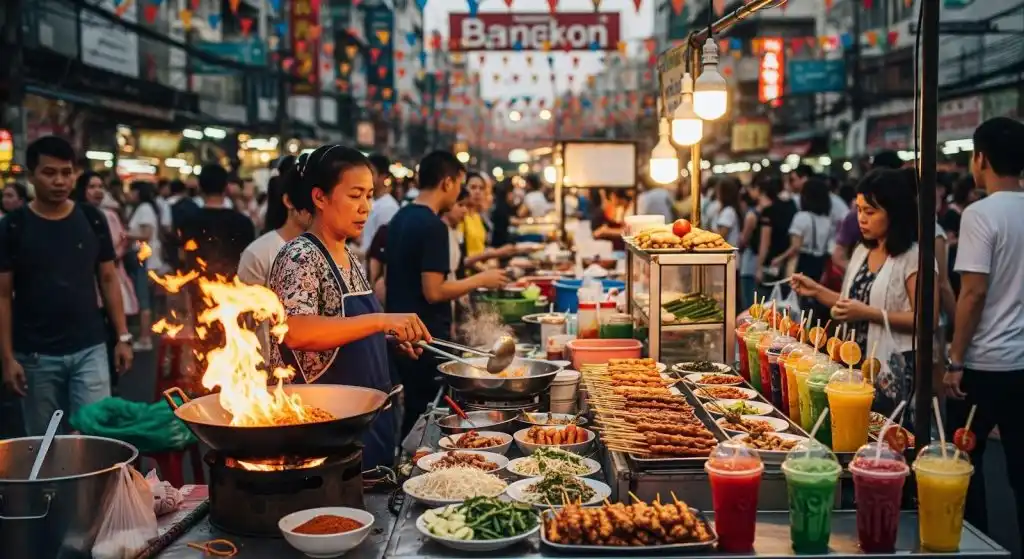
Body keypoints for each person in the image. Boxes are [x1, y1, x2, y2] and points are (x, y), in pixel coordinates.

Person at [267, 146, 429, 469]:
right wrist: (380, 322)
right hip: (322, 442)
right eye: (355, 196)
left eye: (369, 196)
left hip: (367, 430)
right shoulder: (300, 256)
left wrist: (389, 342)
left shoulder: (350, 258)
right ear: (320, 197)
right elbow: (296, 331)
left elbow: (346, 333)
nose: (365, 208)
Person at [0, 136, 133, 436]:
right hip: (34, 355)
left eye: (66, 172)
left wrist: (123, 336)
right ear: (31, 175)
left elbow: (109, 279)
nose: (59, 181)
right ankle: (50, 486)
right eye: (49, 173)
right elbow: (3, 296)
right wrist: (7, 358)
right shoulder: (13, 227)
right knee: (45, 442)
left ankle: (96, 486)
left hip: (90, 348)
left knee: (98, 435)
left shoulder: (91, 218)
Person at [791, 168, 937, 418]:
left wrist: (869, 313)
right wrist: (816, 290)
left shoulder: (913, 257)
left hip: (892, 370)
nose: (861, 218)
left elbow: (926, 320)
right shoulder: (861, 251)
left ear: (895, 212)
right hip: (854, 365)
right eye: (858, 210)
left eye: (870, 211)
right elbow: (851, 305)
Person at [386, 151, 508, 436]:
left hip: (402, 336)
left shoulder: (400, 217)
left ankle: (406, 464)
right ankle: (417, 469)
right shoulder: (434, 227)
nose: (460, 193)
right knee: (426, 415)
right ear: (447, 182)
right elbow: (434, 291)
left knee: (414, 409)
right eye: (459, 184)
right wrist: (481, 279)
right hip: (424, 338)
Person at [944, 117, 1024, 547]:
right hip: (1022, 365)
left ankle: (978, 544)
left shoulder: (980, 213)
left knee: (963, 461)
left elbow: (972, 294)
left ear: (982, 158)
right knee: (1020, 468)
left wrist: (956, 361)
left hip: (986, 364)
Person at [178, 164, 256, 280]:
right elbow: (249, 260)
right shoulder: (243, 222)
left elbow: (183, 256)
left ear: (200, 187)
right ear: (226, 187)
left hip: (197, 287)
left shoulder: (188, 220)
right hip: (234, 290)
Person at [125, 181, 163, 350]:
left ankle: (145, 338)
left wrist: (125, 234)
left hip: (144, 259)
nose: (129, 195)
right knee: (146, 298)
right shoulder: (147, 208)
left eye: (132, 191)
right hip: (147, 259)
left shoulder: (144, 209)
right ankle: (146, 335)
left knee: (143, 299)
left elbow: (146, 234)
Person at [751, 174, 797, 296]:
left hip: (770, 263)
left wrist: (759, 267)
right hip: (786, 261)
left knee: (764, 302)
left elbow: (764, 242)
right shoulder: (792, 206)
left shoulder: (769, 211)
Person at [359, 154, 398, 259]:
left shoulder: (388, 207)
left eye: (371, 173)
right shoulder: (371, 201)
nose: (366, 177)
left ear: (383, 176)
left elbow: (382, 249)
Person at [713, 177, 742, 247]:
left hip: (728, 253)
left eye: (718, 190)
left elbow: (721, 236)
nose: (716, 193)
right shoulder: (723, 209)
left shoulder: (728, 212)